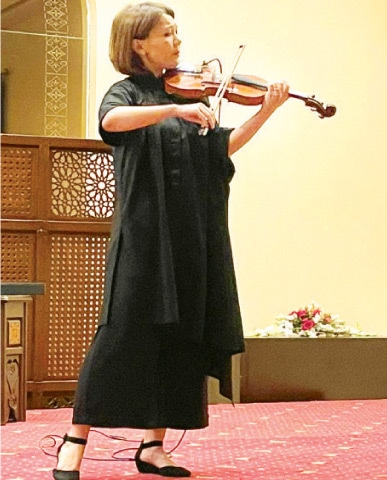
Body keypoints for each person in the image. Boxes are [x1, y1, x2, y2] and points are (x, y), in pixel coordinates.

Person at [52, 2, 289, 479]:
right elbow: (111, 123)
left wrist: (265, 111)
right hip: (142, 236)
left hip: (189, 235)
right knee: (121, 334)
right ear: (138, 43)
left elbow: (222, 147)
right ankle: (74, 442)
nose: (178, 43)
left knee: (179, 336)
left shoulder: (190, 95)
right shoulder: (127, 94)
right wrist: (175, 107)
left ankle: (153, 447)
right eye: (168, 34)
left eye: (177, 34)